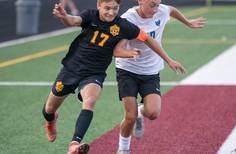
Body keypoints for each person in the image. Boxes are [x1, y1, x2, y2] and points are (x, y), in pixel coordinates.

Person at [42, 0, 185, 154]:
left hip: (94, 73)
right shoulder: (90, 16)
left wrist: (168, 60)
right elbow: (73, 21)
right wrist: (64, 16)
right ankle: (50, 121)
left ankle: (74, 144)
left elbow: (148, 39)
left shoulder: (123, 25)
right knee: (49, 109)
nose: (111, 12)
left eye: (115, 8)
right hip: (71, 69)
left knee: (89, 101)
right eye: (107, 8)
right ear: (99, 5)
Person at [114, 0, 206, 153]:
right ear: (140, 1)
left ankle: (140, 113)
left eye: (157, 4)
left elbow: (171, 10)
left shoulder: (161, 10)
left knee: (153, 113)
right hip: (127, 70)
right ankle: (123, 150)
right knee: (130, 116)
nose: (156, 9)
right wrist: (129, 54)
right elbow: (118, 48)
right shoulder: (128, 19)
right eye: (152, 5)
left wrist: (188, 23)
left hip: (151, 70)